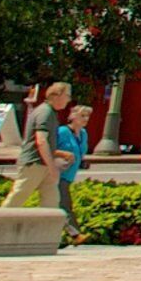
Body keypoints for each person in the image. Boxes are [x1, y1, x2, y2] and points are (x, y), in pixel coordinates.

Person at [0, 81, 68, 211]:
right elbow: (41, 140)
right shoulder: (45, 112)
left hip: (44, 164)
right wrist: (52, 166)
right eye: (67, 95)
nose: (68, 100)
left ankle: (49, 223)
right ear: (57, 95)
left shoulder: (51, 112)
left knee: (51, 200)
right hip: (34, 164)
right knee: (18, 197)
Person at [49, 102, 94, 245]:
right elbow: (49, 149)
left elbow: (81, 152)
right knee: (65, 204)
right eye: (82, 116)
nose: (85, 119)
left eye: (87, 116)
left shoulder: (83, 134)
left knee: (56, 205)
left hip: (69, 175)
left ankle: (58, 237)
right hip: (58, 173)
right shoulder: (62, 132)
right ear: (72, 116)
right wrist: (64, 154)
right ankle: (75, 235)